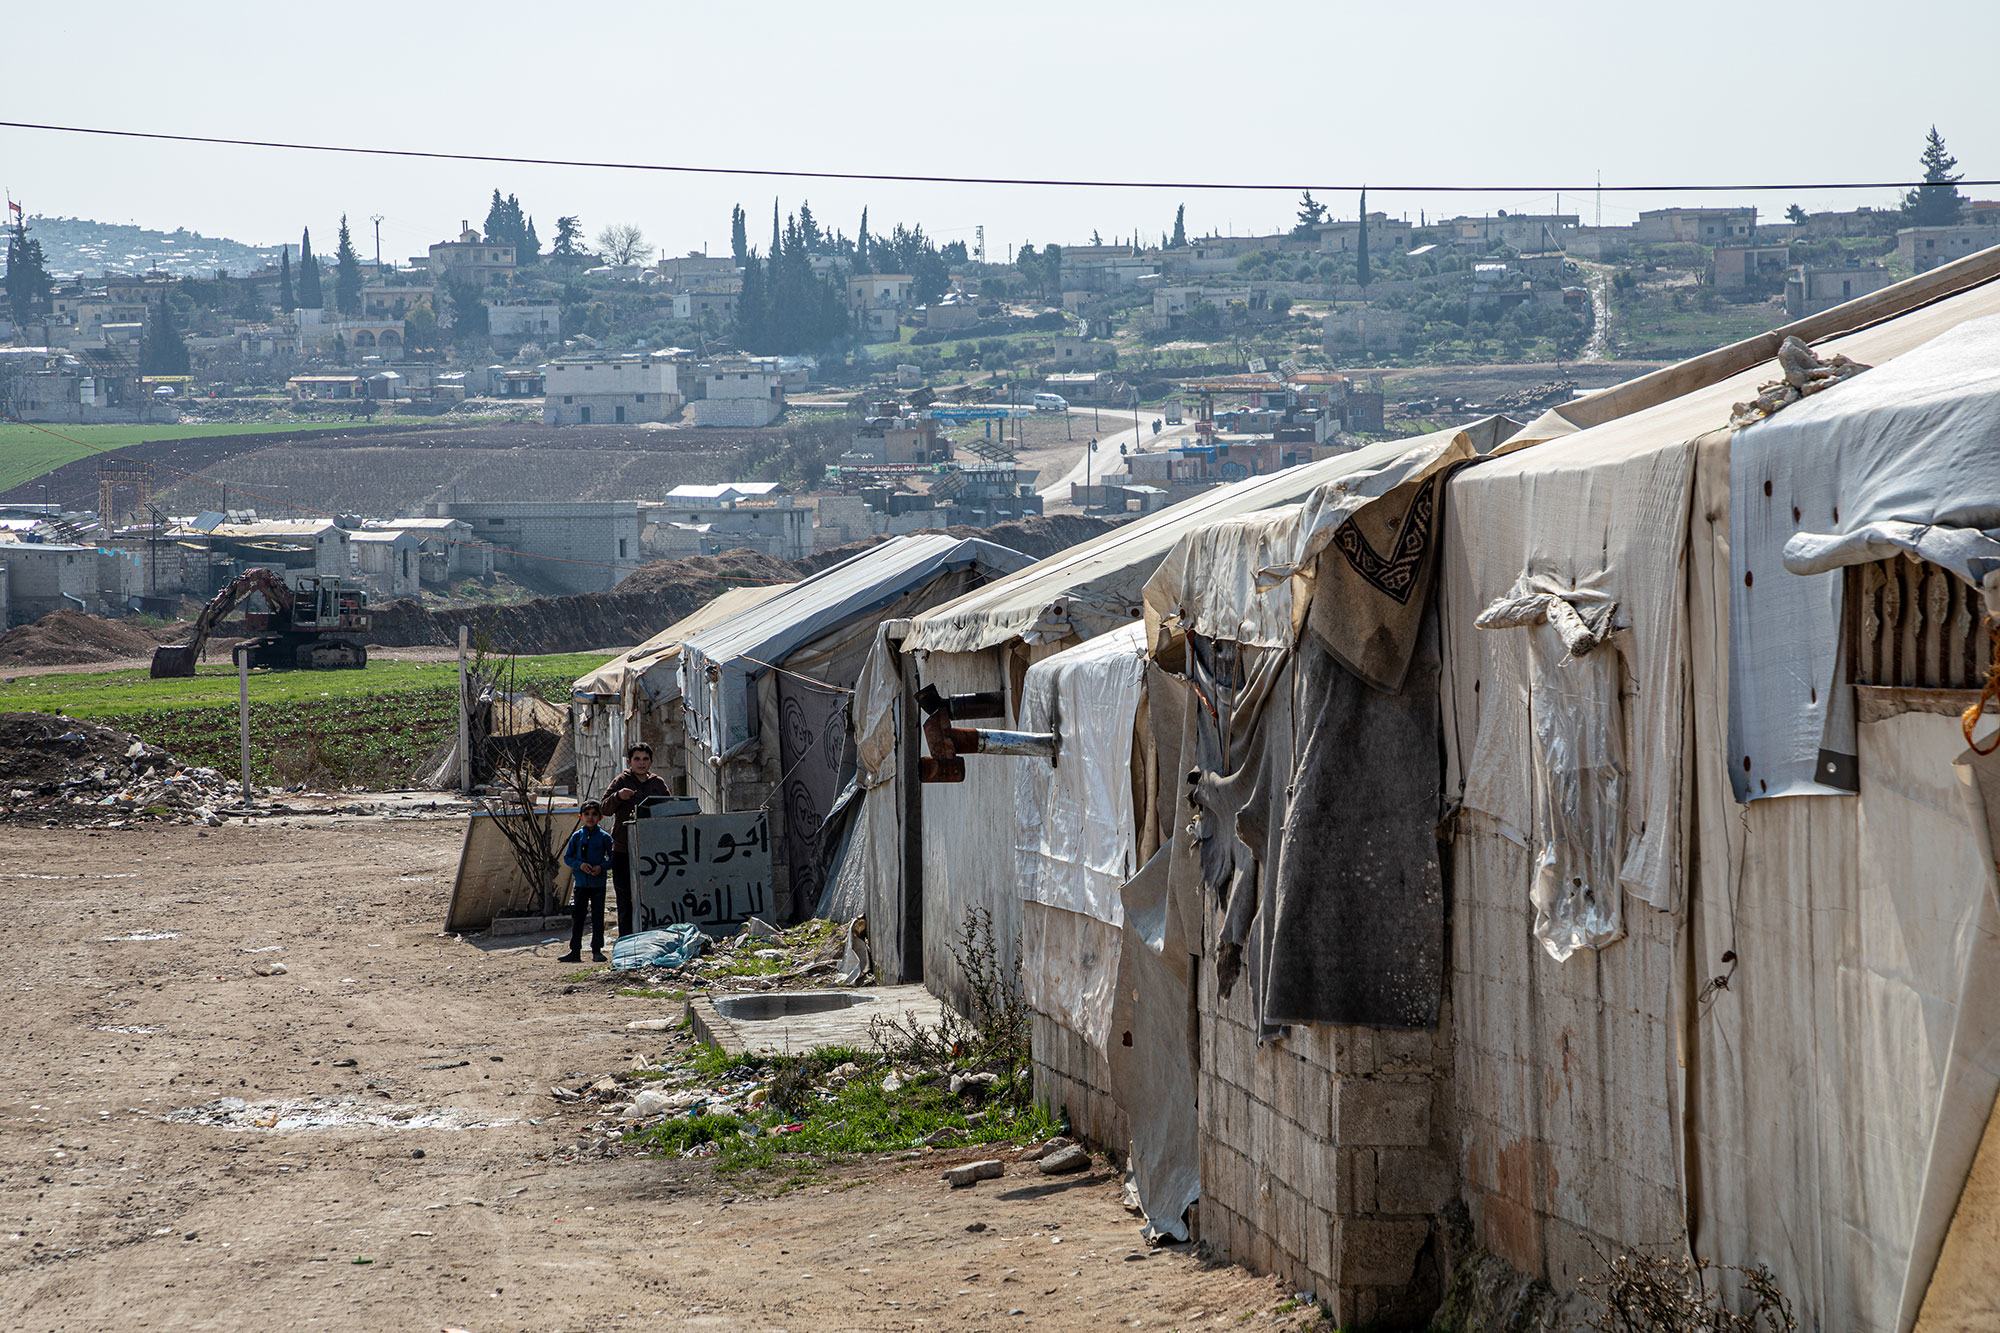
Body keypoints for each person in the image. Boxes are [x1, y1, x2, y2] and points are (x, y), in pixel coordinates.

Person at [600, 742, 670, 937]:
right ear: (629, 762)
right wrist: (618, 796)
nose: (641, 763)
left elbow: (670, 809)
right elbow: (604, 809)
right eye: (637, 759)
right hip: (624, 850)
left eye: (645, 759)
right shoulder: (621, 781)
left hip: (652, 850)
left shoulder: (657, 784)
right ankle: (627, 941)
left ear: (651, 762)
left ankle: (652, 936)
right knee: (625, 898)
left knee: (652, 895)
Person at [558, 801, 615, 963]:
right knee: (579, 918)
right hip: (581, 884)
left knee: (598, 918)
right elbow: (568, 858)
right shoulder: (577, 837)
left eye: (594, 814)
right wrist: (580, 865)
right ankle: (574, 951)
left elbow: (612, 859)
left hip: (598, 884)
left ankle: (597, 950)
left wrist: (601, 867)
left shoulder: (605, 837)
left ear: (600, 817)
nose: (590, 818)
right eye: (587, 814)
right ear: (580, 816)